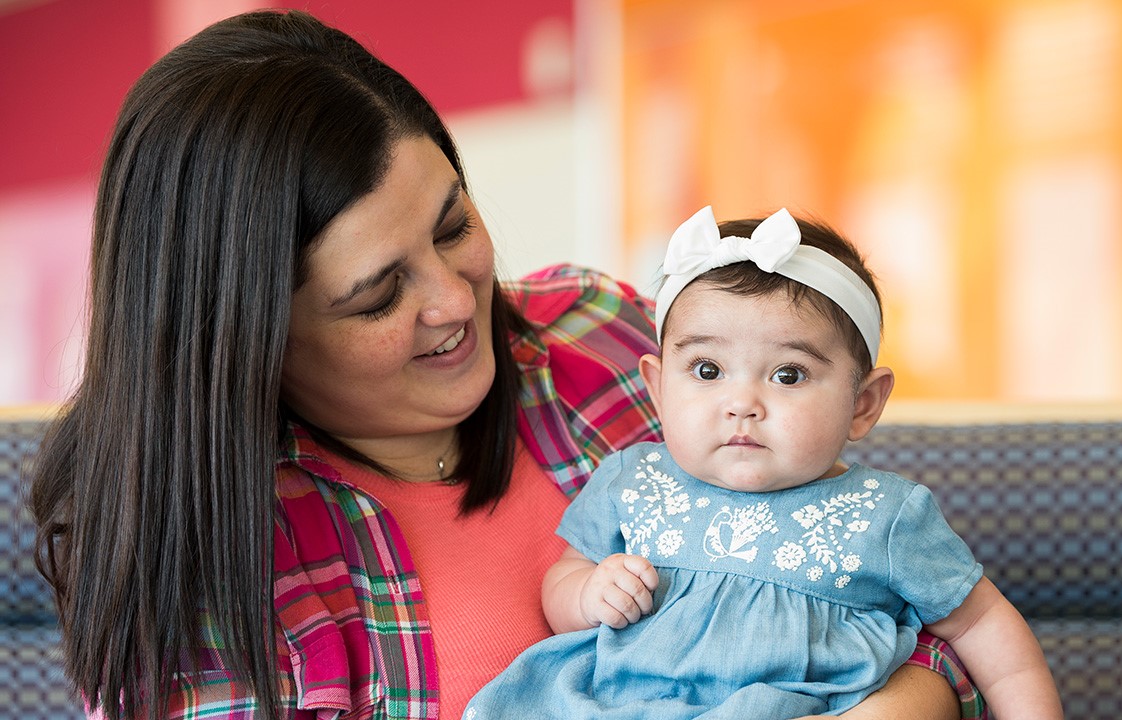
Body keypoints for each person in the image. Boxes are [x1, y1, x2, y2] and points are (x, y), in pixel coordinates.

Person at [27, 10, 987, 720]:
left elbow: (899, 599)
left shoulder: (600, 338)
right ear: (240, 340)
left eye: (455, 227)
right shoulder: (196, 551)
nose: (454, 302)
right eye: (376, 296)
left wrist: (908, 702)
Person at [465, 206, 1062, 719]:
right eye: (706, 371)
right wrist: (588, 594)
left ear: (863, 404)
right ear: (656, 386)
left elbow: (986, 629)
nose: (742, 404)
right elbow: (564, 580)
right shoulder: (631, 479)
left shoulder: (886, 515)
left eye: (788, 374)